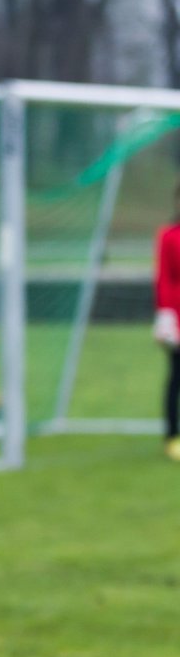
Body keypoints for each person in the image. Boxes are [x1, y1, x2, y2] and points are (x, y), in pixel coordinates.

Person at [154, 186, 180, 461]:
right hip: (177, 316)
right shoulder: (169, 235)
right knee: (176, 376)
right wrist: (165, 317)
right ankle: (172, 435)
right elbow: (164, 277)